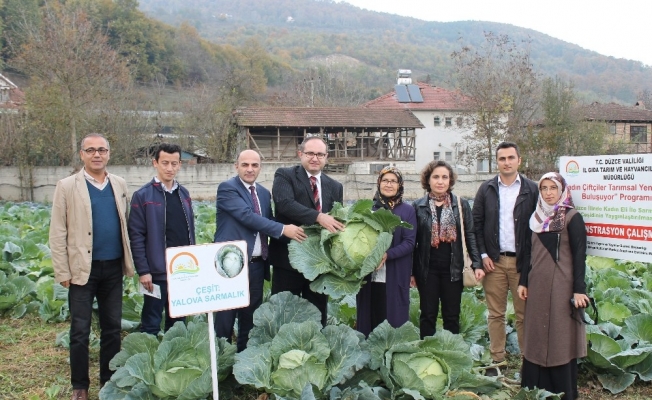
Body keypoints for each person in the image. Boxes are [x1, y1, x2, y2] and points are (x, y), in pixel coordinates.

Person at [49, 133, 134, 400]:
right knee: (80, 330)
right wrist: (63, 271)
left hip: (112, 268)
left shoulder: (119, 184)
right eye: (91, 150)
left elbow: (126, 223)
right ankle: (80, 386)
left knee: (111, 328)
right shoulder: (67, 186)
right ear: (82, 154)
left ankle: (108, 381)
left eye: (102, 150)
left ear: (109, 153)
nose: (97, 154)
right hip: (81, 270)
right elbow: (57, 230)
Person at [214, 149, 306, 352]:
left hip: (256, 265)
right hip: (231, 266)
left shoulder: (263, 194)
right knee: (225, 320)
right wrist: (284, 229)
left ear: (260, 168)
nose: (249, 169)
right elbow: (248, 217)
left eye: (254, 165)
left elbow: (269, 222)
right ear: (236, 166)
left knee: (249, 319)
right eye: (245, 164)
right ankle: (220, 366)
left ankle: (244, 363)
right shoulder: (227, 189)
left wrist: (303, 233)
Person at [517, 172, 588, 399]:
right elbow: (528, 253)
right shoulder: (535, 218)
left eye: (552, 188)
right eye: (544, 188)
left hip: (562, 286)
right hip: (537, 285)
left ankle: (562, 390)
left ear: (562, 191)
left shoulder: (572, 217)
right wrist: (523, 282)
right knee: (536, 333)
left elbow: (579, 255)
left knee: (559, 334)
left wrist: (579, 289)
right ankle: (534, 387)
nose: (548, 193)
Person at [472, 141, 538, 375]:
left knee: (524, 314)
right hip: (495, 262)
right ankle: (497, 360)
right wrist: (482, 255)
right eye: (502, 159)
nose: (507, 162)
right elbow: (475, 225)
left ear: (519, 160)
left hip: (523, 263)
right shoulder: (487, 189)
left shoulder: (533, 189)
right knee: (496, 313)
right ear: (496, 162)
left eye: (511, 158)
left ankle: (527, 360)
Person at [270, 136, 344, 326]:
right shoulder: (285, 175)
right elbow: (285, 204)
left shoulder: (335, 187)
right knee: (283, 314)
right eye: (310, 153)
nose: (315, 158)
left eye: (320, 154)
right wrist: (318, 217)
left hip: (319, 263)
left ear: (326, 157)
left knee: (318, 315)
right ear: (300, 154)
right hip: (288, 261)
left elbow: (338, 219)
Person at [128, 143, 195, 336]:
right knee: (151, 321)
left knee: (178, 322)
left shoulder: (184, 194)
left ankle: (173, 360)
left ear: (180, 165)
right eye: (165, 163)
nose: (169, 168)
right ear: (155, 163)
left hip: (182, 271)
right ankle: (149, 361)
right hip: (155, 273)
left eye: (174, 163)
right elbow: (137, 236)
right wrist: (144, 271)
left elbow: (189, 231)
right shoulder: (142, 195)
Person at [412, 161, 484, 339]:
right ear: (428, 180)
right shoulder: (418, 206)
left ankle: (451, 353)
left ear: (450, 180)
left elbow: (470, 235)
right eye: (435, 177)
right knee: (427, 316)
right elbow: (413, 243)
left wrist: (477, 264)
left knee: (451, 316)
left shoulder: (460, 204)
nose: (440, 181)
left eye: (445, 177)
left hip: (453, 270)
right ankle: (427, 353)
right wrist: (411, 272)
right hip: (427, 271)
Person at [356, 166, 417, 337]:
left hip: (395, 273)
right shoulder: (369, 209)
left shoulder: (407, 211)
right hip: (369, 274)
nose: (388, 184)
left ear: (400, 185)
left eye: (393, 181)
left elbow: (409, 242)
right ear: (379, 183)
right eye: (385, 180)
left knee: (393, 319)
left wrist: (387, 255)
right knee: (370, 315)